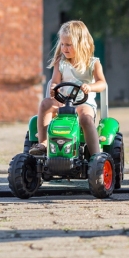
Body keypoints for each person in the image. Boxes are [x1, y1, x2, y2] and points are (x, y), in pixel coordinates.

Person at [29, 20, 107, 156]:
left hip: (84, 103)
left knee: (85, 118)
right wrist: (54, 88)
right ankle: (43, 143)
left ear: (81, 44)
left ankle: (96, 156)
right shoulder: (60, 62)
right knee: (45, 104)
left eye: (69, 45)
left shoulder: (93, 63)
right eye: (63, 44)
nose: (64, 48)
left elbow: (102, 83)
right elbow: (54, 82)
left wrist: (90, 86)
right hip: (62, 102)